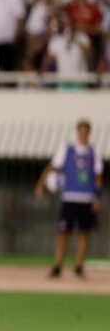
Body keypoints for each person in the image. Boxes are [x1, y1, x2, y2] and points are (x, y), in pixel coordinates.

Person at [35, 119, 102, 279]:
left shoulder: (93, 153)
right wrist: (41, 184)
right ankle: (57, 266)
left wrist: (96, 197)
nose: (84, 133)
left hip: (86, 198)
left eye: (86, 130)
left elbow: (98, 176)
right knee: (64, 232)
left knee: (84, 233)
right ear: (78, 131)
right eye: (81, 130)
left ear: (89, 132)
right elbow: (52, 167)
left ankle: (79, 267)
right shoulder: (67, 150)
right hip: (69, 197)